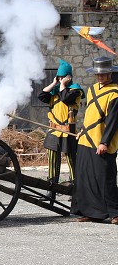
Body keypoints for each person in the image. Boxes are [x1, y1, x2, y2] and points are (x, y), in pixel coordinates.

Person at [71, 57, 118, 224]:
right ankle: (90, 212)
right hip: (86, 139)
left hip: (101, 141)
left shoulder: (115, 92)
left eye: (104, 74)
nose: (100, 77)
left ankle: (115, 213)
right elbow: (90, 114)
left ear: (110, 73)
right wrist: (82, 130)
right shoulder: (91, 90)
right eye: (98, 75)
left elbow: (113, 121)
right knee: (85, 177)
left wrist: (104, 142)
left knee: (105, 177)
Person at [37, 59, 84, 189]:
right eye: (60, 77)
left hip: (68, 130)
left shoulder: (76, 91)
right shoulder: (55, 91)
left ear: (69, 77)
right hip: (53, 130)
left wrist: (63, 84)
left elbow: (65, 98)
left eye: (63, 77)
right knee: (52, 160)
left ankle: (75, 188)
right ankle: (51, 187)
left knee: (71, 159)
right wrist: (54, 83)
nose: (61, 79)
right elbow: (41, 95)